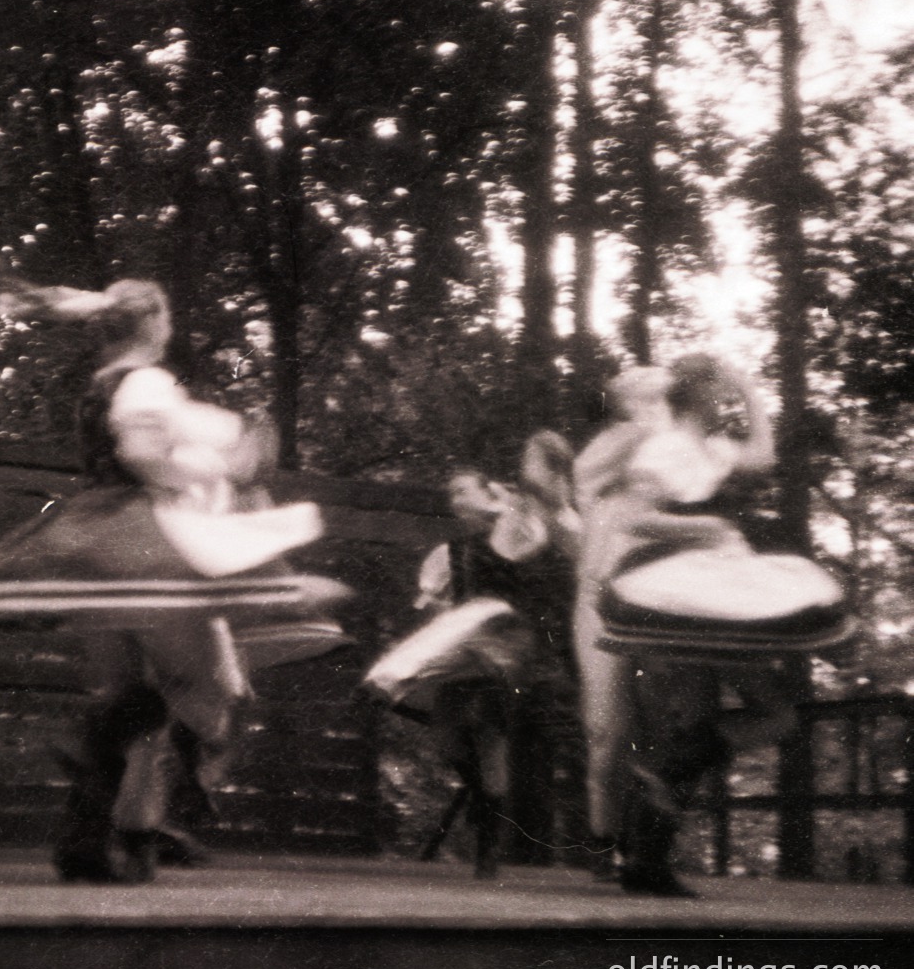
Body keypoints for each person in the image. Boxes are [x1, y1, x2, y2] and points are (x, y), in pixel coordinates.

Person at [0, 251, 346, 883]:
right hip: (145, 535)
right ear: (156, 323)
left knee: (129, 689)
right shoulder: (145, 382)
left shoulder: (103, 382)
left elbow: (138, 443)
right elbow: (141, 451)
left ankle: (103, 833)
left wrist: (214, 459)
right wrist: (216, 469)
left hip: (96, 537)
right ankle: (104, 779)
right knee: (193, 689)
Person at [591, 354, 853, 895]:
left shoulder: (710, 450)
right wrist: (706, 529)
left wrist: (748, 387)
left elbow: (763, 454)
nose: (726, 406)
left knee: (774, 717)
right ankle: (647, 860)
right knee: (709, 720)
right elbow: (634, 517)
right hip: (679, 587)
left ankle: (650, 833)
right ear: (699, 399)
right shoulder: (666, 450)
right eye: (721, 396)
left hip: (720, 588)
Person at [365, 458, 575, 878]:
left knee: (490, 740)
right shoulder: (449, 553)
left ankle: (488, 849)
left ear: (488, 493)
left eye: (463, 490)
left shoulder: (516, 531)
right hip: (462, 646)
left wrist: (510, 500)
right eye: (452, 494)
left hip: (504, 644)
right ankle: (482, 801)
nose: (455, 500)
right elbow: (435, 608)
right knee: (449, 743)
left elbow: (541, 534)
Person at [569, 366, 676, 879]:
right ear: (624, 401)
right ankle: (601, 842)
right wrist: (653, 424)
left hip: (663, 604)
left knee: (663, 726)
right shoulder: (604, 452)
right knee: (607, 731)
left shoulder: (672, 462)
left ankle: (645, 847)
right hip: (601, 601)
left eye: (662, 396)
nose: (658, 403)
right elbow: (587, 475)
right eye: (648, 395)